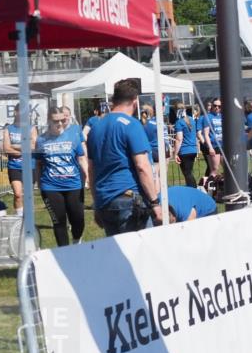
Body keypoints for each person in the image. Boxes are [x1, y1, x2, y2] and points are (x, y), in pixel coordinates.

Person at [85, 79, 163, 235]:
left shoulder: (95, 127)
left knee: (117, 254)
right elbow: (142, 166)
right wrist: (155, 203)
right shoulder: (132, 125)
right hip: (129, 199)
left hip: (105, 200)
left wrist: (97, 204)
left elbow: (91, 170)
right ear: (135, 102)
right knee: (139, 254)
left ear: (114, 100)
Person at [36, 108, 87, 246]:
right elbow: (39, 163)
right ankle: (63, 252)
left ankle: (77, 241)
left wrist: (87, 178)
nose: (59, 124)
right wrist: (39, 184)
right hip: (51, 186)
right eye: (55, 121)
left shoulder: (73, 136)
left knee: (78, 219)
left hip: (74, 185)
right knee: (59, 221)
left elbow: (81, 159)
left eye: (62, 120)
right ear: (48, 121)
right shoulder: (41, 140)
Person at [2, 104, 37, 214]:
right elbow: (6, 149)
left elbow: (33, 147)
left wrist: (14, 145)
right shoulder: (8, 129)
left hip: (29, 166)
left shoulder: (32, 128)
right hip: (14, 166)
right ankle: (19, 219)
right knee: (17, 194)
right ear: (16, 112)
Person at [172, 105, 199, 188]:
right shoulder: (192, 120)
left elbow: (179, 139)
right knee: (189, 172)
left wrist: (175, 154)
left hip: (184, 151)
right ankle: (192, 189)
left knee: (187, 173)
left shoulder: (179, 122)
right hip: (193, 150)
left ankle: (194, 191)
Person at [203, 98, 224, 177]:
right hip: (214, 145)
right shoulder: (208, 117)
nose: (217, 108)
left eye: (219, 106)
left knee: (228, 168)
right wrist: (210, 147)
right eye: (215, 106)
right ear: (212, 106)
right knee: (215, 169)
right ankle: (210, 187)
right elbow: (206, 134)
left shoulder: (222, 116)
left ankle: (221, 185)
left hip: (223, 145)